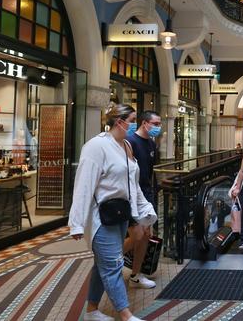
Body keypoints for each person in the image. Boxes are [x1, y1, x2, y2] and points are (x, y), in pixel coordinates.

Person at [69, 103, 157, 321]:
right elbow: (83, 185)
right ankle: (125, 314)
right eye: (133, 120)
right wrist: (76, 222)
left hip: (120, 215)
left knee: (103, 264)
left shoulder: (125, 145)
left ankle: (91, 311)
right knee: (113, 266)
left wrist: (144, 210)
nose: (136, 124)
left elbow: (132, 183)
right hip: (101, 217)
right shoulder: (96, 146)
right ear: (120, 122)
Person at [123, 110, 161, 289]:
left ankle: (136, 274)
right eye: (155, 124)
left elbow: (150, 172)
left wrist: (152, 195)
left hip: (147, 193)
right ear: (145, 123)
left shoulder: (152, 144)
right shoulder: (130, 142)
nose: (158, 127)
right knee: (137, 235)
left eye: (159, 124)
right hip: (132, 195)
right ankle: (108, 257)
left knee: (146, 234)